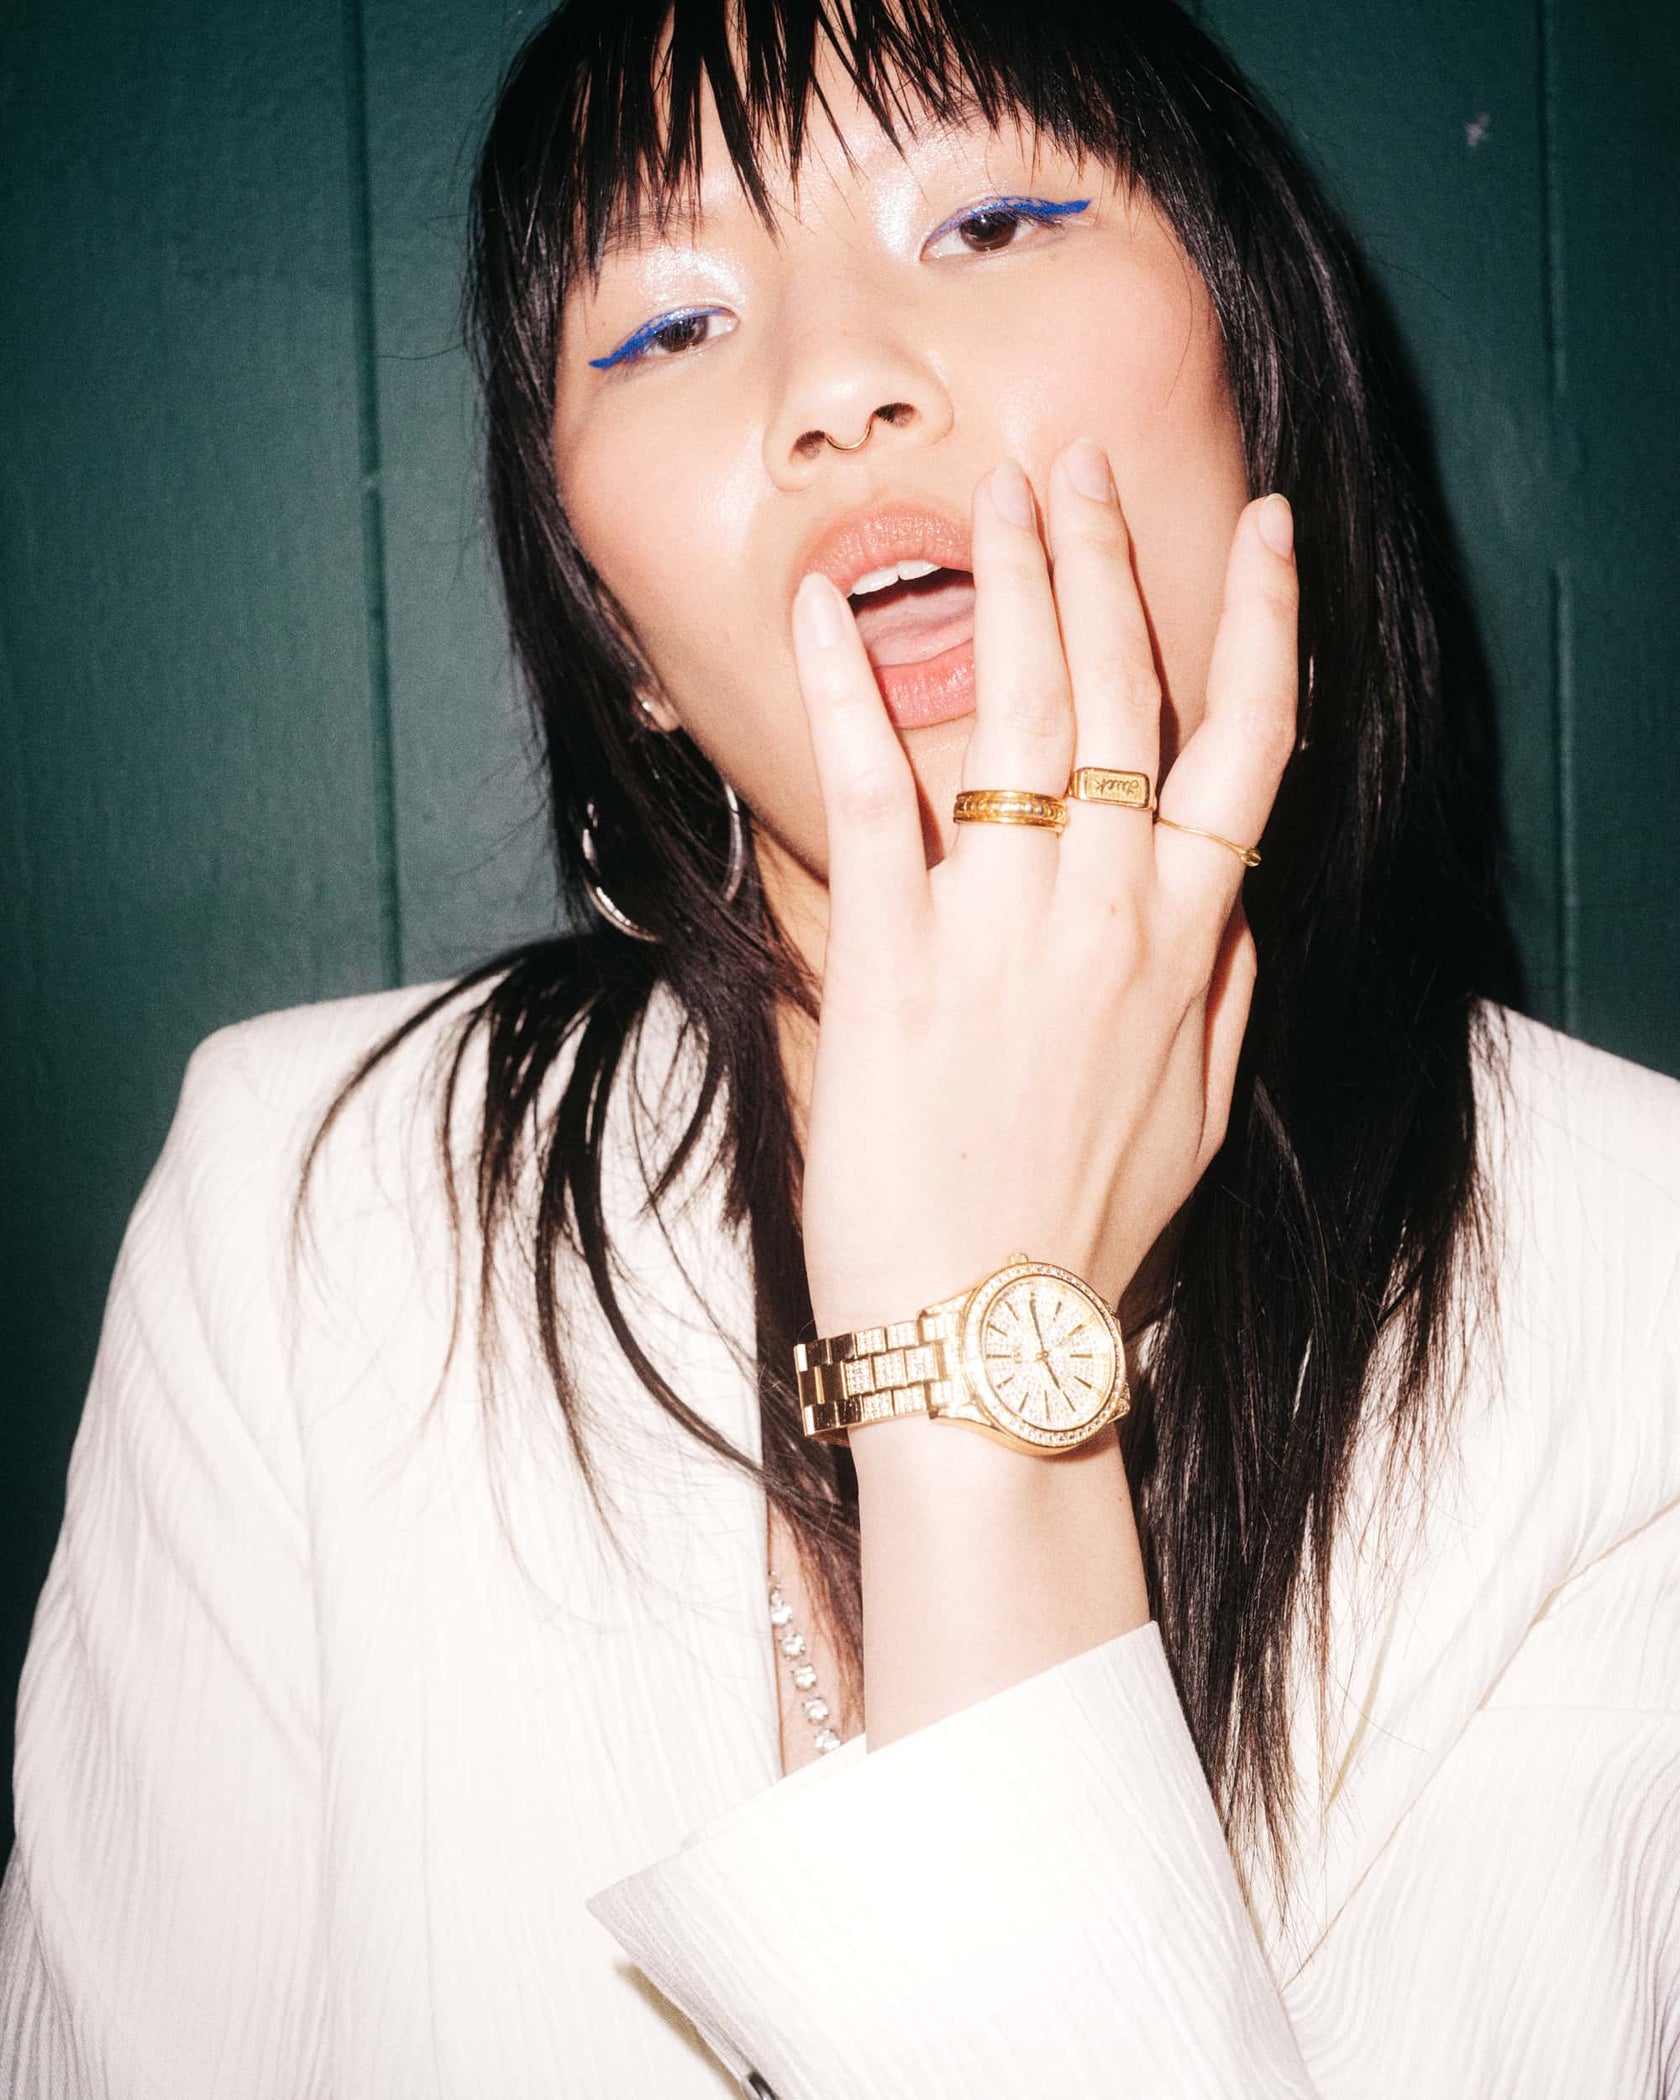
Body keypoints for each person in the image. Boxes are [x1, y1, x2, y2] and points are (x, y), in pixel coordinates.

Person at [2, 0, 1677, 2093]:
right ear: (625, 647)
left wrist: (984, 1392)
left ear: (1265, 377)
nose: (836, 383)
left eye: (987, 216)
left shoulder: (1642, 1283)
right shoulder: (314, 1197)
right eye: (664, 327)